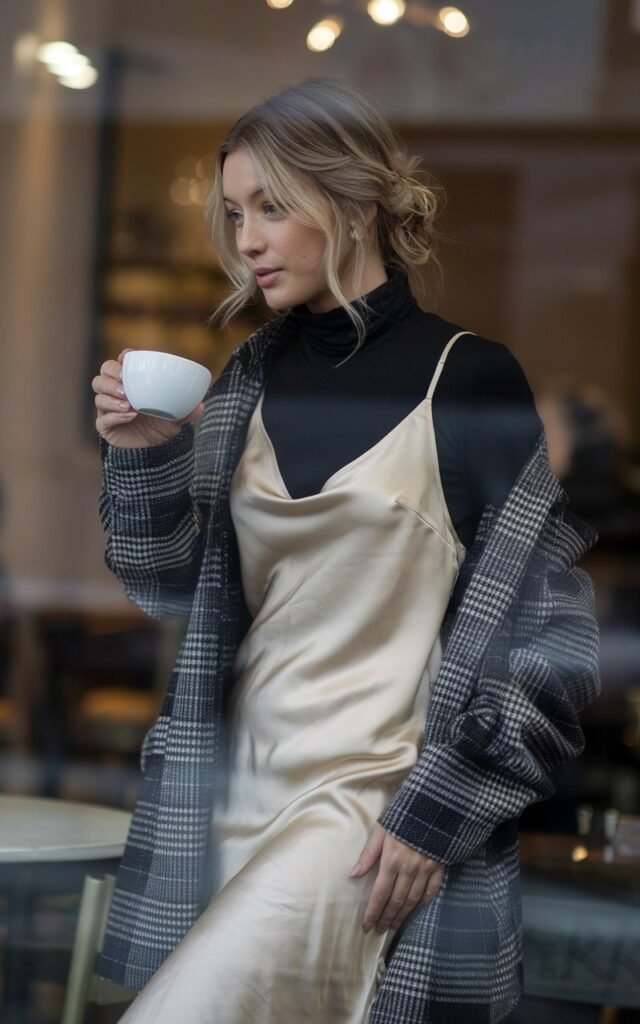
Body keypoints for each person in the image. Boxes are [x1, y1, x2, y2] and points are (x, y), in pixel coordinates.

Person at [91, 79, 600, 1024]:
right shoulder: (248, 375)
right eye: (237, 212)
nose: (246, 240)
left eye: (274, 208)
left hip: (368, 809)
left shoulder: (470, 378)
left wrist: (438, 811)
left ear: (358, 202)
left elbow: (553, 640)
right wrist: (143, 458)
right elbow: (163, 587)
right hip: (231, 798)